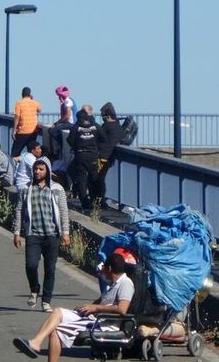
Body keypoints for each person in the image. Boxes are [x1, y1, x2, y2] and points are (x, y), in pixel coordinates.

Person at [12, 253, 135, 362]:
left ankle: (37, 345)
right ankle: (36, 342)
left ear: (109, 268)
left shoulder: (126, 284)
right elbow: (102, 302)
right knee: (58, 312)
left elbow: (122, 309)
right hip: (96, 318)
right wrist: (88, 307)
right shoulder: (114, 284)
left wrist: (96, 308)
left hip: (104, 324)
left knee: (57, 332)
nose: (103, 273)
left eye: (104, 269)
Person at [13, 157, 70, 312]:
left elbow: (64, 211)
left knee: (50, 269)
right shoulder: (26, 189)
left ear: (48, 171)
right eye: (35, 169)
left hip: (52, 234)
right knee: (31, 264)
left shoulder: (57, 189)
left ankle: (46, 300)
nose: (37, 172)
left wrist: (66, 233)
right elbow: (19, 210)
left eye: (41, 169)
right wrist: (17, 232)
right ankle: (34, 288)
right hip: (33, 233)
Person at [67, 109, 105, 212]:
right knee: (94, 178)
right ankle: (96, 201)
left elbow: (70, 140)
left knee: (82, 180)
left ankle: (85, 203)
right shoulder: (95, 125)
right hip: (93, 155)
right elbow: (103, 138)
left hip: (80, 155)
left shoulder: (76, 127)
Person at [93, 102, 123, 208]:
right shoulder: (118, 126)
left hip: (102, 156)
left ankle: (99, 201)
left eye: (103, 116)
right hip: (110, 157)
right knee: (100, 179)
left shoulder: (106, 126)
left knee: (97, 179)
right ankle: (100, 200)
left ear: (108, 116)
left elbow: (96, 137)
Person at [12, 87, 42, 159]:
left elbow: (17, 117)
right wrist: (32, 99)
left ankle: (14, 166)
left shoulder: (19, 103)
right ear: (30, 94)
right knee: (32, 152)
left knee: (15, 152)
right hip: (33, 131)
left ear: (22, 94)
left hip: (22, 131)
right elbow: (39, 110)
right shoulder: (35, 103)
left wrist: (14, 130)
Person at [48, 85, 78, 156]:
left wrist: (56, 123)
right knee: (56, 129)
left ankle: (58, 148)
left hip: (71, 124)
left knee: (52, 130)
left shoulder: (68, 101)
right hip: (69, 123)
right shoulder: (67, 101)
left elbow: (67, 116)